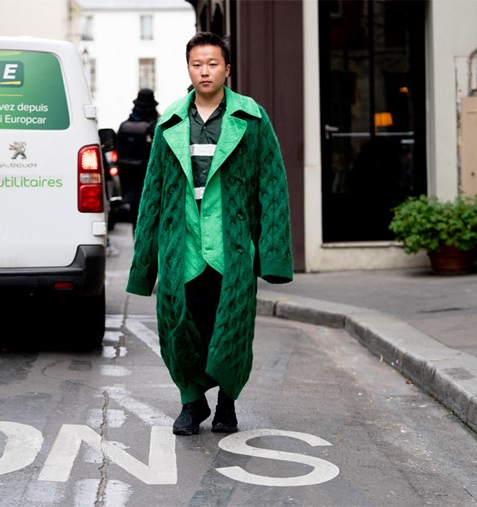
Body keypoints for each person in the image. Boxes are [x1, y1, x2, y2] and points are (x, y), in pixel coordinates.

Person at [126, 32, 294, 436]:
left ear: (227, 69)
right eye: (197, 64)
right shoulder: (170, 121)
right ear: (188, 68)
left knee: (230, 326)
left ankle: (227, 404)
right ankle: (192, 401)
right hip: (180, 246)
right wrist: (143, 266)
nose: (205, 71)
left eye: (213, 64)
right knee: (178, 326)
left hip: (231, 247)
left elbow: (273, 187)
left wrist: (271, 255)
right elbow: (152, 196)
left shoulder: (251, 118)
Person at [115, 89, 159, 232]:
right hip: (152, 179)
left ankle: (138, 247)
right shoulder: (155, 126)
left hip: (131, 183)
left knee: (137, 218)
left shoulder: (126, 126)